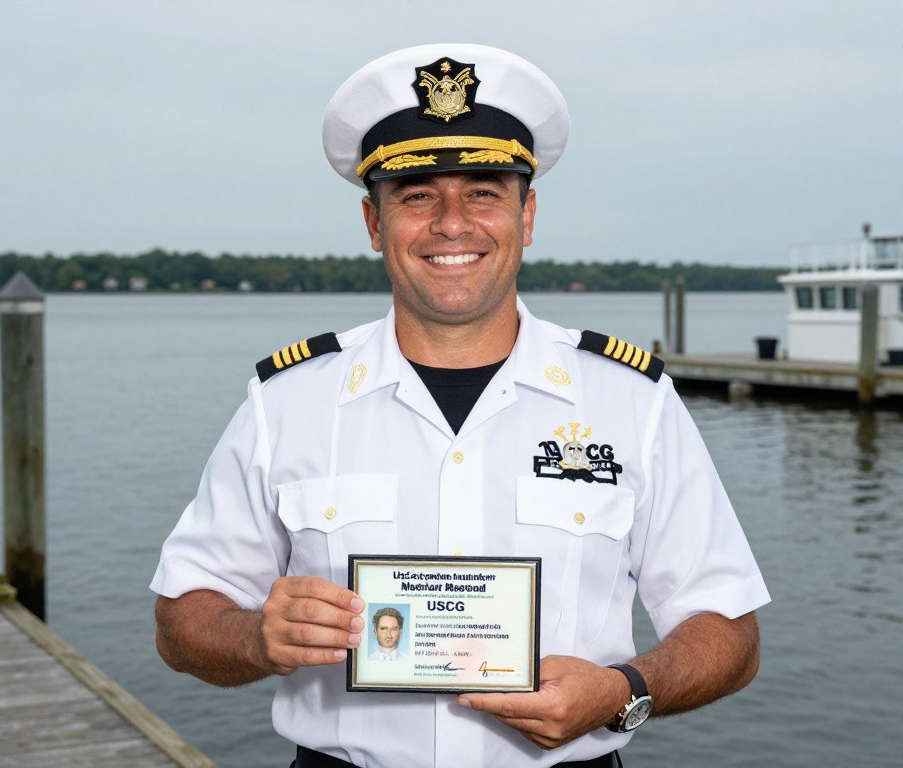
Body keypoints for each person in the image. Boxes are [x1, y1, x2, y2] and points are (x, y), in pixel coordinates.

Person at [151, 43, 770, 768]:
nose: (452, 223)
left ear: (527, 214)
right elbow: (180, 621)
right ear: (374, 224)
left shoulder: (632, 401)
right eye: (417, 196)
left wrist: (624, 688)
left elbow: (729, 628)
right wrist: (254, 636)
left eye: (484, 191)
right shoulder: (287, 403)